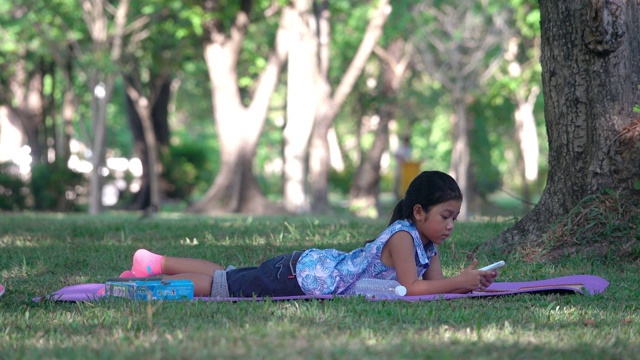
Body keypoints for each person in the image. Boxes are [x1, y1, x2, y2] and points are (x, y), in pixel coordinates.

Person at [120, 171, 498, 297]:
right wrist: (458, 282)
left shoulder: (426, 242)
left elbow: (433, 284)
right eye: (446, 216)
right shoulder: (403, 236)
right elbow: (411, 289)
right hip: (303, 278)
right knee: (223, 285)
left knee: (227, 275)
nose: (451, 225)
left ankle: (155, 264)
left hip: (308, 269)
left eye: (455, 219)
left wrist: (467, 281)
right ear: (419, 212)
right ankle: (149, 283)